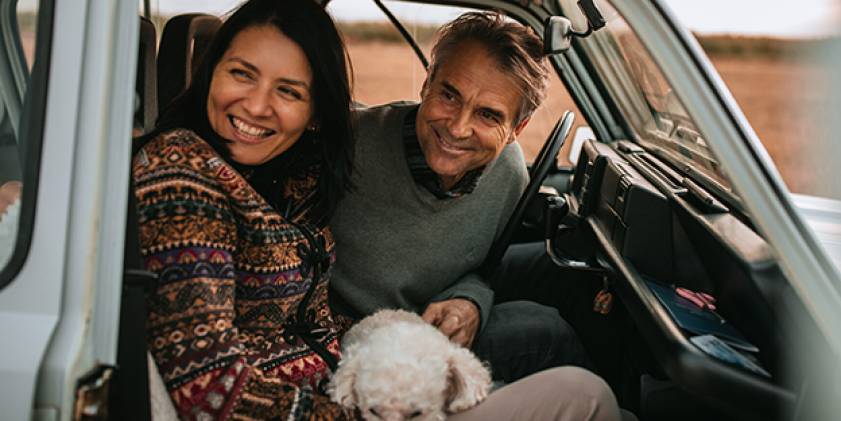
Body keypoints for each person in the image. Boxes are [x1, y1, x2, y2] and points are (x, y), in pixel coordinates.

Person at [330, 11, 590, 384]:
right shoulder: (349, 144)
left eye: (488, 115)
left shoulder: (508, 172)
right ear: (427, 85)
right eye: (449, 95)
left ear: (516, 129)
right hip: (350, 345)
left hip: (427, 329)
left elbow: (477, 267)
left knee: (557, 302)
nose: (458, 127)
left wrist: (471, 302)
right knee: (548, 338)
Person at [132, 0, 355, 418]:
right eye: (242, 74)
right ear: (210, 74)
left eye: (288, 91)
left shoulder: (284, 175)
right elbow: (209, 391)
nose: (255, 106)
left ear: (315, 116)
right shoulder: (181, 175)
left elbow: (307, 324)